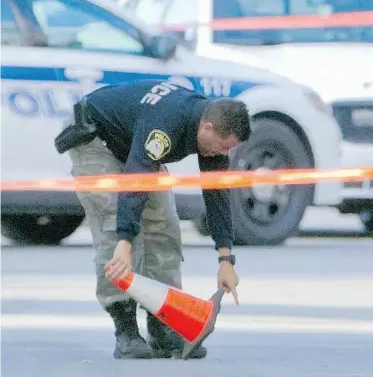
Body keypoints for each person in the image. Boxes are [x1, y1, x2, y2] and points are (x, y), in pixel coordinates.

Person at [55, 78, 251, 360]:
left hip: (134, 143)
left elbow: (217, 195)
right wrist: (125, 241)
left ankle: (164, 327)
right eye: (223, 147)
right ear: (207, 127)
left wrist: (225, 259)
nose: (224, 154)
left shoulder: (213, 131)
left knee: (164, 227)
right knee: (114, 229)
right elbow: (136, 182)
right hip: (96, 140)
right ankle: (125, 331)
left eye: (229, 149)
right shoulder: (166, 127)